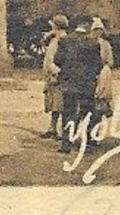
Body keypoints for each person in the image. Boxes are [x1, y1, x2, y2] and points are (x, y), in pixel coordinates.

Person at [55, 20, 104, 153]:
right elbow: (99, 64)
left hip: (69, 82)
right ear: (87, 27)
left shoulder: (65, 40)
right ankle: (87, 143)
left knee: (68, 112)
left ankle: (66, 143)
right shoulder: (93, 43)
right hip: (87, 83)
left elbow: (57, 60)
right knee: (88, 112)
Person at [41, 14, 68, 139]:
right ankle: (52, 128)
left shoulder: (63, 39)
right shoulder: (55, 37)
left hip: (57, 74)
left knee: (60, 103)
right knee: (54, 103)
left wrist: (55, 71)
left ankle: (62, 130)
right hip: (51, 74)